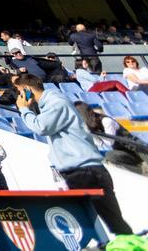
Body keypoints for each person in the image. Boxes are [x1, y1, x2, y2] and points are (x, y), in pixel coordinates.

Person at [12, 73, 132, 234]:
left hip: (84, 169)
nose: (19, 96)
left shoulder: (56, 102)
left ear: (26, 89)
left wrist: (24, 109)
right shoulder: (51, 104)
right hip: (81, 169)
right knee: (101, 222)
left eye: (20, 92)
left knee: (105, 222)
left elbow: (41, 127)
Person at [73, 102, 144, 173]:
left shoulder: (106, 121)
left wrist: (96, 132)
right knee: (110, 156)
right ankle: (142, 170)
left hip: (136, 147)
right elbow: (99, 143)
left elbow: (110, 142)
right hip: (124, 151)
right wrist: (91, 132)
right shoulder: (92, 126)